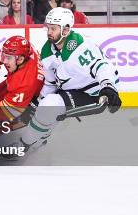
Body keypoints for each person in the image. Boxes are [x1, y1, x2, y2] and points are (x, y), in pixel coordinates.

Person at [19, 8, 121, 154]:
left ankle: (23, 144)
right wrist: (38, 102)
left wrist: (108, 87)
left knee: (50, 106)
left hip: (94, 92)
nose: (49, 32)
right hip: (71, 89)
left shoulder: (80, 46)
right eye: (48, 28)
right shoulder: (47, 51)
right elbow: (50, 83)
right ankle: (39, 141)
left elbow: (101, 66)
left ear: (66, 30)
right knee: (45, 109)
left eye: (53, 28)